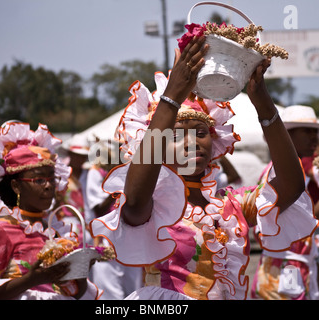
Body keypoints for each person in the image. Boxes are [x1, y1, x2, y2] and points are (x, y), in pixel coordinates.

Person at [90, 35, 318, 300]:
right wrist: (172, 96)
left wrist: (263, 102)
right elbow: (135, 200)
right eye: (176, 136)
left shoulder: (232, 205)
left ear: (215, 139)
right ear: (157, 144)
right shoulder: (152, 205)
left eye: (200, 132)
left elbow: (291, 186)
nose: (191, 143)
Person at [0, 122, 101, 300]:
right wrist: (31, 279)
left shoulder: (57, 233)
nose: (48, 186)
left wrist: (79, 271)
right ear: (16, 186)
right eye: (39, 180)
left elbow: (75, 293)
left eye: (52, 179)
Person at [251, 105, 319, 300]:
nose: (314, 137)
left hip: (293, 268)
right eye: (306, 131)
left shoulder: (296, 173)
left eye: (315, 131)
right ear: (286, 136)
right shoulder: (277, 172)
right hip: (283, 270)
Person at [86, 141, 143, 299]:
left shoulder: (133, 174)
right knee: (110, 294)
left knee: (134, 291)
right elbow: (98, 208)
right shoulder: (97, 173)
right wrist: (118, 187)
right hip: (107, 242)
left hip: (131, 241)